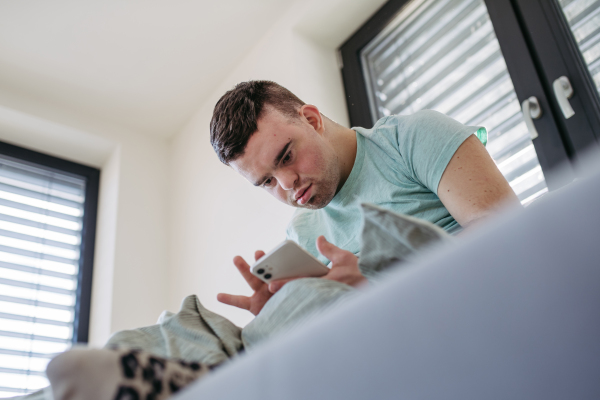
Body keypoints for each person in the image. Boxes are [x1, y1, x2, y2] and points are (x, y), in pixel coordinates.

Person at [209, 80, 520, 315]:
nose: (287, 183)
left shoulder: (410, 138)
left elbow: (511, 237)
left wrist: (377, 282)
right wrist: (281, 322)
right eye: (267, 181)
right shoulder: (301, 234)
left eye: (287, 156)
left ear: (313, 120)